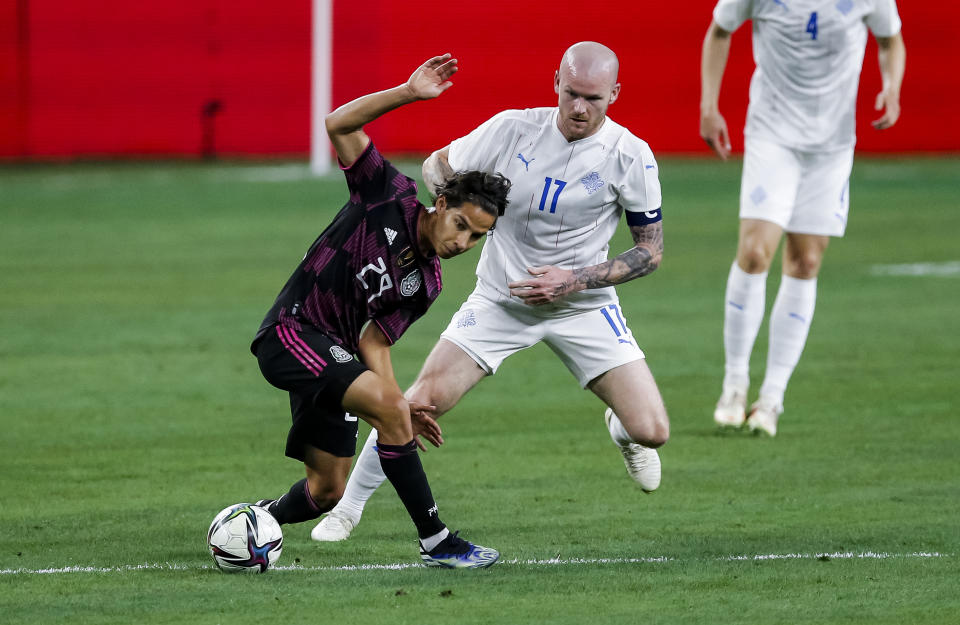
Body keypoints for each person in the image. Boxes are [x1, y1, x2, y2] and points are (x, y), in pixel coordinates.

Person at [313, 41, 671, 543]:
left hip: (584, 305)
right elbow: (438, 169)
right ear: (556, 83)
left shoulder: (631, 156)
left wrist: (575, 280)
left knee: (652, 430)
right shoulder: (512, 129)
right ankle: (346, 510)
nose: (580, 108)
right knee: (420, 401)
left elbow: (650, 251)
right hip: (500, 301)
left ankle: (621, 429)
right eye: (571, 94)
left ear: (614, 93)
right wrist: (456, 195)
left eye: (593, 97)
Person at [249, 54, 510, 568]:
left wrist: (398, 402)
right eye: (461, 224)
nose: (464, 241)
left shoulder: (427, 282)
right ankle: (437, 542)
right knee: (393, 414)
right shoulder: (385, 194)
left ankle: (256, 520)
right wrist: (408, 93)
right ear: (440, 203)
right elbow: (338, 123)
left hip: (337, 357)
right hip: (291, 333)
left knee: (325, 491)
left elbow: (375, 342)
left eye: (478, 237)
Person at [700, 0, 906, 436]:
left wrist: (892, 85)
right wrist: (709, 105)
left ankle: (771, 399)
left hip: (831, 146)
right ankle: (735, 383)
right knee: (755, 253)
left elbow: (891, 40)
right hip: (772, 134)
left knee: (806, 261)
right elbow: (719, 31)